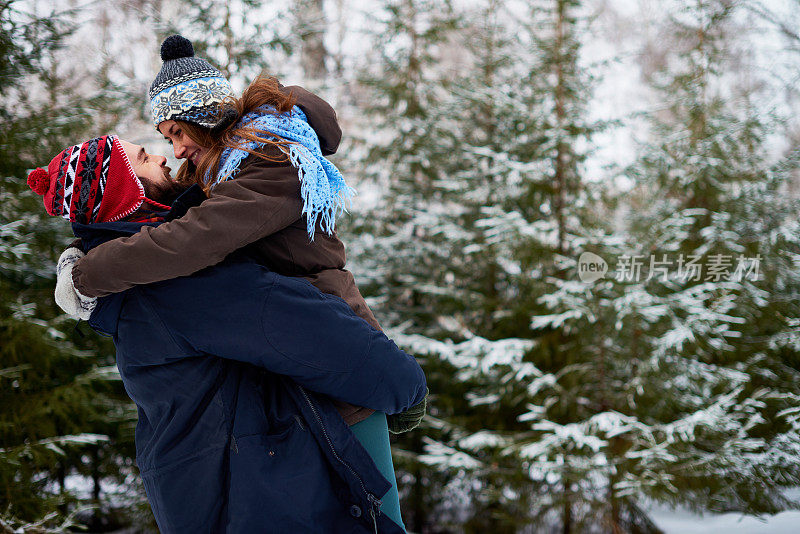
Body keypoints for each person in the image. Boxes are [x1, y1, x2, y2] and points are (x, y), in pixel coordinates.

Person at [53, 35, 417, 529]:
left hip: (338, 353)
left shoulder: (271, 159)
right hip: (297, 360)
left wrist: (90, 273)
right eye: (163, 140)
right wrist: (85, 245)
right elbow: (156, 207)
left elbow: (195, 237)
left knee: (380, 517)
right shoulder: (222, 164)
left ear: (204, 116)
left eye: (177, 132)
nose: (174, 149)